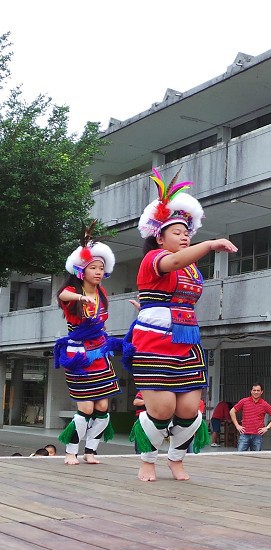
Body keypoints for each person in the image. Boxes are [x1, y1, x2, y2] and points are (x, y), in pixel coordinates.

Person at [127, 169, 237, 482]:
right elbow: (171, 265)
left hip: (187, 340)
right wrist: (211, 244)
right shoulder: (155, 259)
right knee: (161, 411)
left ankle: (176, 458)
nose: (185, 236)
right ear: (159, 237)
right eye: (177, 232)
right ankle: (147, 460)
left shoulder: (192, 270)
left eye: (187, 231)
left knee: (190, 410)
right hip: (156, 342)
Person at [54, 222, 123, 465]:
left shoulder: (103, 294)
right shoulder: (72, 292)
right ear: (82, 270)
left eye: (101, 268)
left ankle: (91, 450)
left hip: (100, 354)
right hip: (80, 356)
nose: (97, 271)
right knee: (85, 409)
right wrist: (80, 296)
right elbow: (62, 295)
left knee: (103, 407)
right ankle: (71, 450)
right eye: (93, 267)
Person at [230, 384, 271, 451]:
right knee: (240, 456)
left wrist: (267, 428)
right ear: (251, 391)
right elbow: (232, 411)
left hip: (257, 435)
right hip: (245, 434)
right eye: (254, 390)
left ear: (261, 392)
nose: (256, 392)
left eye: (258, 390)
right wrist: (237, 425)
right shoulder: (244, 401)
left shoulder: (264, 404)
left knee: (256, 458)